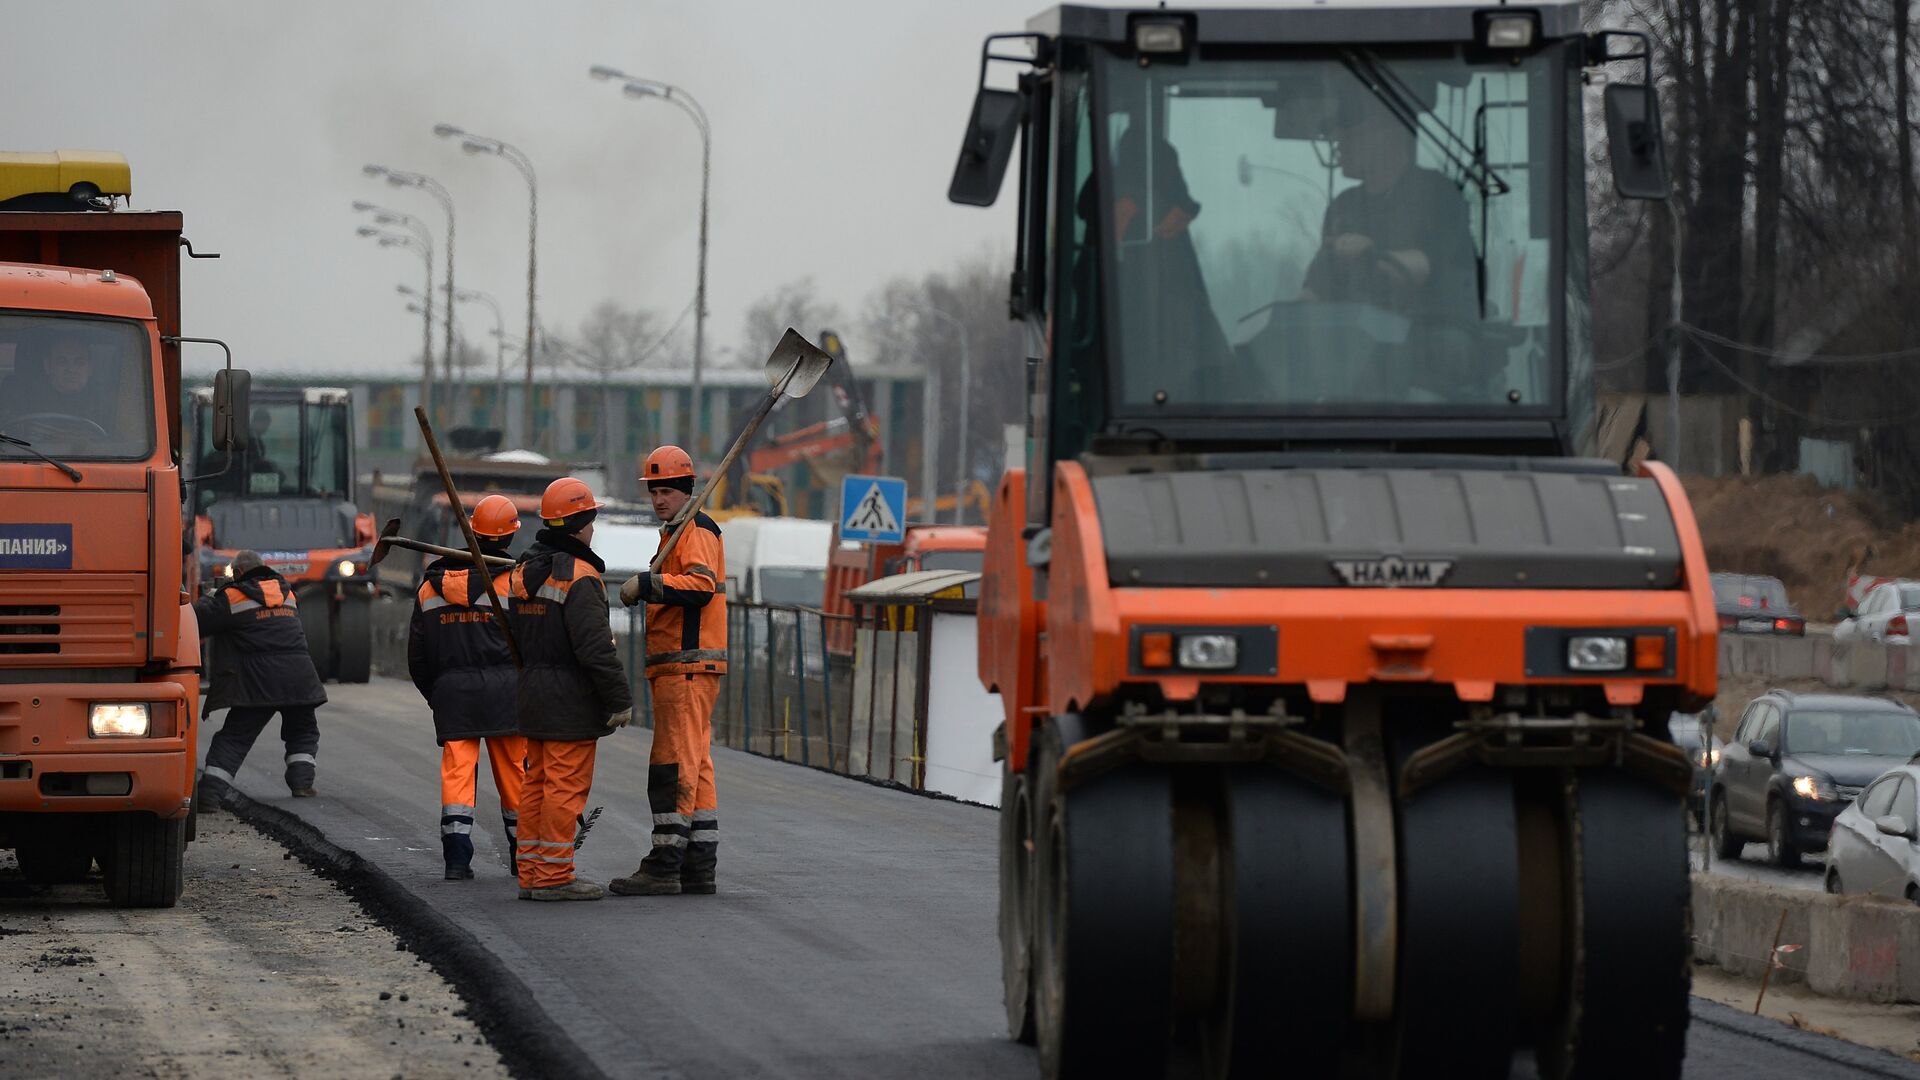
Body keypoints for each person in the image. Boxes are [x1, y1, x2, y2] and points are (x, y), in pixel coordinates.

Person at [507, 477, 633, 901]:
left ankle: (531, 871)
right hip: (569, 701)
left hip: (533, 693)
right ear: (582, 522)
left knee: (537, 785)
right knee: (564, 787)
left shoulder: (524, 572)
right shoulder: (579, 577)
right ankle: (554, 876)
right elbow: (595, 649)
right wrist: (619, 700)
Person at [612, 445, 727, 897]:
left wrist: (648, 584)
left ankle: (664, 865)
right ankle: (699, 866)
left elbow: (699, 586)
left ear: (685, 491)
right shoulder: (676, 532)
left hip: (687, 665)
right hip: (687, 666)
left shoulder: (694, 530)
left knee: (672, 763)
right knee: (696, 767)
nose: (659, 499)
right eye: (654, 491)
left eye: (666, 491)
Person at [407, 494, 527, 882]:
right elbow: (532, 643)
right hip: (508, 693)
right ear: (509, 537)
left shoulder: (430, 589)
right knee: (515, 776)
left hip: (453, 694)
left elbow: (417, 656)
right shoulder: (516, 584)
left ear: (472, 530)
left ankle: (457, 859)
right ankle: (523, 858)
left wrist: (439, 692)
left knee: (457, 775)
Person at [1299, 93, 1477, 320]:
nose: (1340, 143)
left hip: (1424, 341)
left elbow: (1433, 265)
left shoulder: (1437, 193)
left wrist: (1370, 254)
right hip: (1355, 343)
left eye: (1351, 133)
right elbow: (1318, 287)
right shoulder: (1343, 206)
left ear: (1389, 133)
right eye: (1338, 134)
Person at [193, 550, 327, 803]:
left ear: (240, 573)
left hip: (258, 682)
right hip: (299, 678)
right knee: (303, 729)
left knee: (235, 737)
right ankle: (302, 784)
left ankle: (210, 795)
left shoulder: (231, 598)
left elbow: (198, 621)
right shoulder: (288, 594)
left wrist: (210, 598)